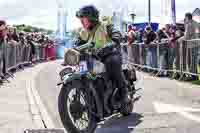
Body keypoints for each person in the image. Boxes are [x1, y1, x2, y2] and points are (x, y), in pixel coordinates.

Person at [63, 5, 130, 104]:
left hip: (109, 54)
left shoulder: (105, 25)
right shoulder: (83, 32)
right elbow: (77, 44)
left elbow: (116, 33)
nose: (81, 21)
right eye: (80, 19)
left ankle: (124, 93)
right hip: (94, 59)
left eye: (83, 19)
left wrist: (114, 40)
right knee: (83, 68)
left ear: (91, 18)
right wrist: (70, 54)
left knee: (113, 61)